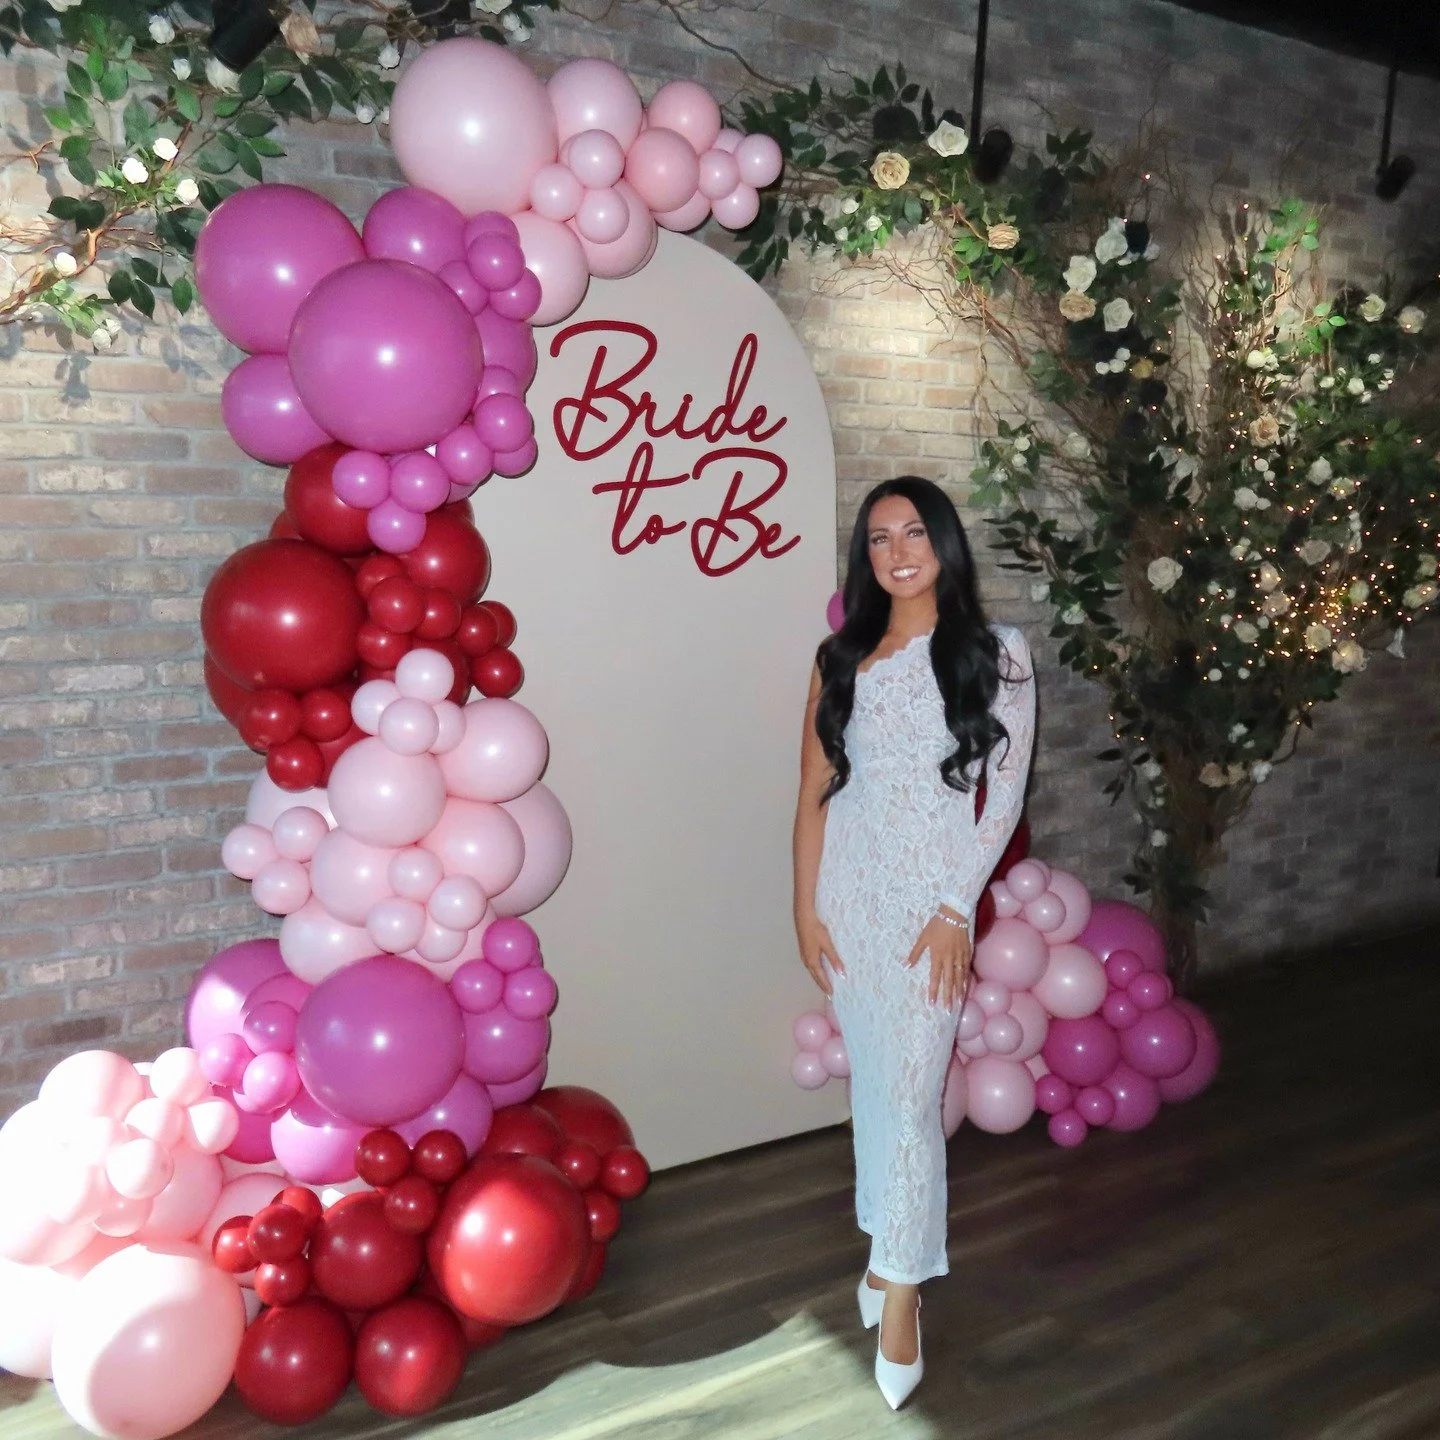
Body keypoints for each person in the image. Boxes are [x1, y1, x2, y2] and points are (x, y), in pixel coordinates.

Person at [792, 476, 1035, 1409]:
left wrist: (951, 906)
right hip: (848, 901)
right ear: (867, 557)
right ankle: (887, 1256)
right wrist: (803, 909)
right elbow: (814, 790)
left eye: (914, 532)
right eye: (879, 536)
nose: (898, 550)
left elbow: (1001, 796)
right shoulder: (840, 655)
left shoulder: (997, 654)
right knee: (881, 1097)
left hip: (931, 911)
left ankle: (901, 1291)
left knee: (911, 1088)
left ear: (943, 543)